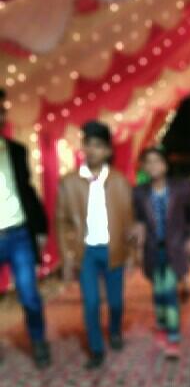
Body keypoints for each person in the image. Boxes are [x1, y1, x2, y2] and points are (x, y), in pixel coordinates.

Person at [56, 121, 134, 369]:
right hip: (86, 252)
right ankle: (97, 349)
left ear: (108, 151)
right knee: (90, 303)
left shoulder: (120, 182)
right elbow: (62, 221)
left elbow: (129, 222)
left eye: (98, 145)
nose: (92, 150)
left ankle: (115, 331)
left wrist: (131, 255)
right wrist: (67, 257)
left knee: (116, 303)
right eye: (88, 144)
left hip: (113, 250)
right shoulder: (69, 182)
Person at [0, 88, 51, 368]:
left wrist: (40, 229)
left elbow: (28, 191)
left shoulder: (16, 151)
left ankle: (39, 341)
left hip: (19, 234)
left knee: (29, 294)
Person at [133, 147, 190, 358]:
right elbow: (138, 219)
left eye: (157, 161)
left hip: (175, 249)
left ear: (165, 165)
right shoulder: (139, 192)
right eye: (148, 162)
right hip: (152, 251)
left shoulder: (181, 188)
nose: (153, 165)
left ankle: (173, 337)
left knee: (169, 292)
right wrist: (137, 230)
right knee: (158, 293)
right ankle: (162, 326)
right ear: (144, 167)